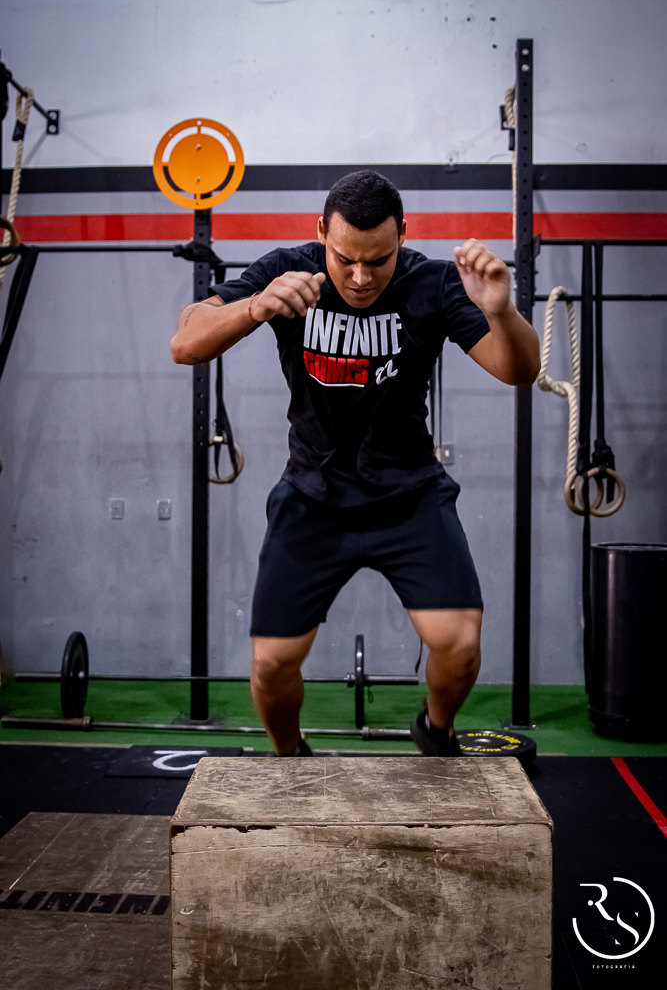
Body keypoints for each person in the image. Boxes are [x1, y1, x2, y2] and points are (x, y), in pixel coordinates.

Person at [171, 170, 540, 757]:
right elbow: (185, 342)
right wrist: (256, 307)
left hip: (409, 494)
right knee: (271, 664)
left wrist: (501, 312)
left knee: (459, 644)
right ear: (321, 232)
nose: (361, 277)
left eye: (378, 260)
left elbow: (518, 371)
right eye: (345, 260)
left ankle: (436, 729)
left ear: (402, 236)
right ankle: (290, 758)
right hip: (312, 495)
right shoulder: (287, 271)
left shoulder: (434, 283)